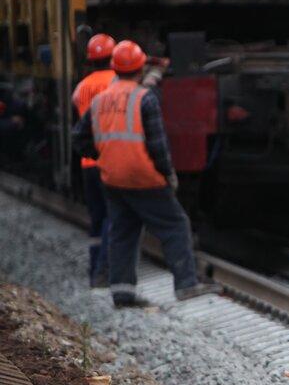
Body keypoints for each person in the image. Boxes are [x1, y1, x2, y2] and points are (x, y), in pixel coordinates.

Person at [73, 40, 220, 308]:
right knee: (176, 225)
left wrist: (101, 156)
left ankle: (122, 292)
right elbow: (158, 144)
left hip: (112, 177)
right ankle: (186, 283)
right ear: (141, 68)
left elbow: (79, 138)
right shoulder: (144, 98)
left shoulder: (100, 99)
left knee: (123, 231)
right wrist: (167, 174)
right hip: (143, 177)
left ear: (115, 69)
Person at [72, 34, 119, 288]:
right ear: (112, 59)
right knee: (114, 216)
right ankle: (103, 271)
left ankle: (93, 270)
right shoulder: (116, 82)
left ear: (90, 61)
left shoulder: (81, 87)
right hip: (109, 160)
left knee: (97, 217)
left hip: (88, 163)